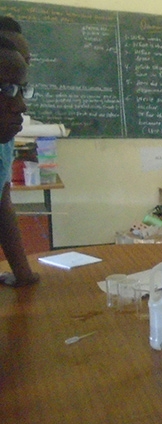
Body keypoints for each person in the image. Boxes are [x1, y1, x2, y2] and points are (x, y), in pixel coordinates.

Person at [0, 16, 37, 288]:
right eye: (7, 87)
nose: (21, 105)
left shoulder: (5, 133)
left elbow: (1, 201)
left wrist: (23, 276)